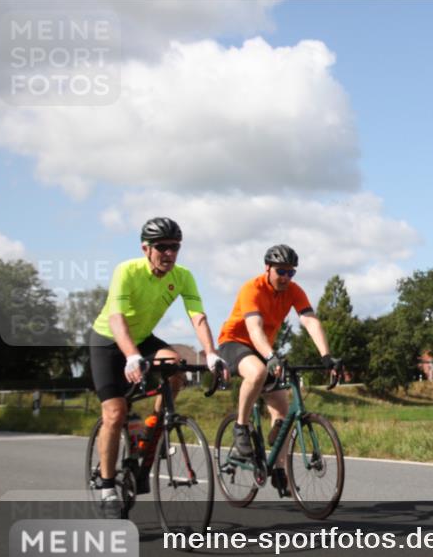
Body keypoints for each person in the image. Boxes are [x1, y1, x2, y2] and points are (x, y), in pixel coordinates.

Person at [89, 217, 227, 516]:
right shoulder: (126, 270)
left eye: (174, 247)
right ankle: (107, 484)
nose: (169, 253)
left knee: (176, 367)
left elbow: (198, 317)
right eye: (162, 247)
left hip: (142, 338)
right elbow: (117, 319)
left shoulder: (183, 275)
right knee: (115, 413)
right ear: (146, 249)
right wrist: (130, 356)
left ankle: (153, 430)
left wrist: (211, 353)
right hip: (108, 342)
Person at [217, 245, 341, 494]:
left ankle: (278, 467)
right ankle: (241, 425)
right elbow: (254, 328)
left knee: (283, 411)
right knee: (257, 372)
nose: (285, 277)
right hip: (235, 343)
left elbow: (309, 320)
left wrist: (326, 356)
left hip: (264, 349)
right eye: (281, 271)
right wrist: (271, 357)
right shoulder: (251, 289)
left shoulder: (294, 291)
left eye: (291, 272)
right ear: (268, 268)